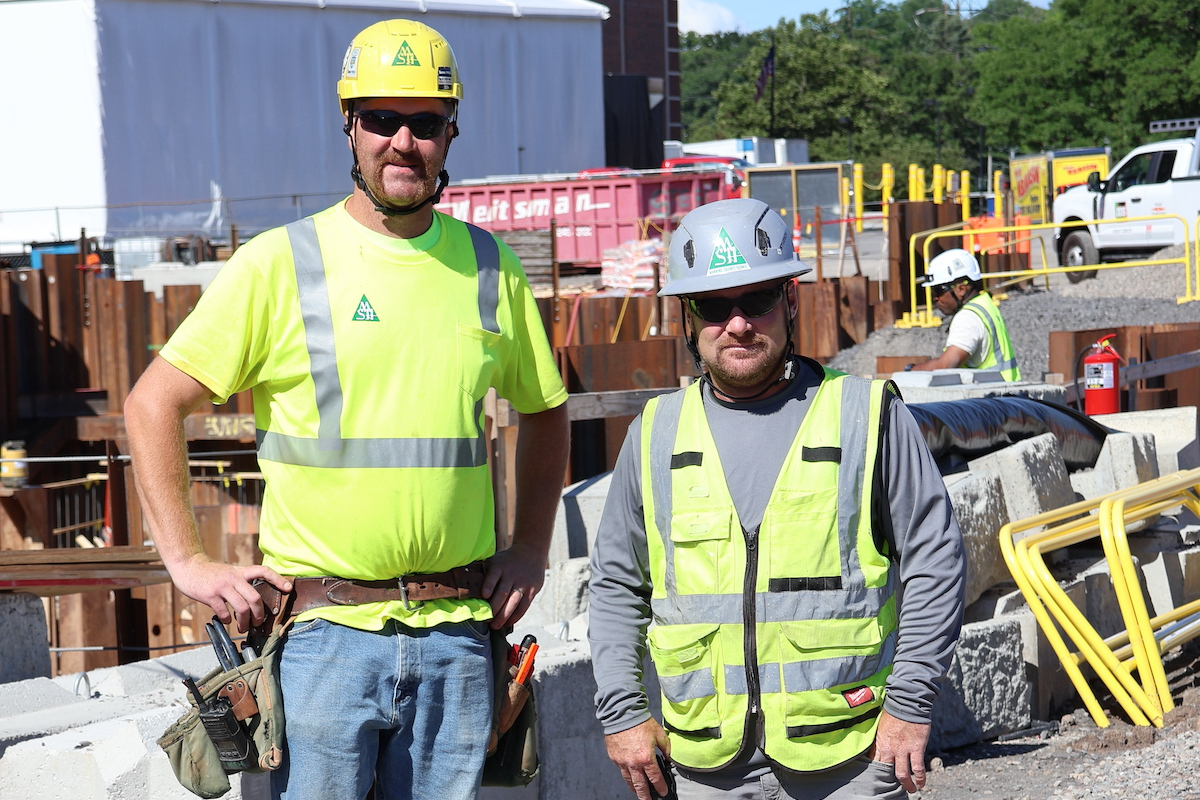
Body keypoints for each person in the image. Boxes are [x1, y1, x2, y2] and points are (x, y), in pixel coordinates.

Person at [124, 19, 569, 800]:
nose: (404, 142)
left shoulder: (490, 268)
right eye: (382, 121)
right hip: (323, 642)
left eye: (425, 124)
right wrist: (188, 563)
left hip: (457, 638)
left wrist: (531, 546)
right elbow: (153, 403)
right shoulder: (280, 263)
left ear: (451, 132)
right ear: (350, 127)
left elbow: (547, 410)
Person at [587, 198, 965, 800]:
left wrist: (911, 704)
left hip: (850, 756)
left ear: (790, 302)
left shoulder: (866, 417)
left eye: (756, 301)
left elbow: (935, 561)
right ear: (689, 317)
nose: (736, 324)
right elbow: (615, 585)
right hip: (704, 764)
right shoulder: (655, 434)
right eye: (714, 306)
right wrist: (624, 713)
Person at [907, 248, 1021, 380]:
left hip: (991, 397)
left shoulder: (967, 318)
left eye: (938, 291)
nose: (935, 298)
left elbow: (945, 367)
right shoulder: (985, 304)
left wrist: (910, 370)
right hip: (1006, 393)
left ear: (961, 289)